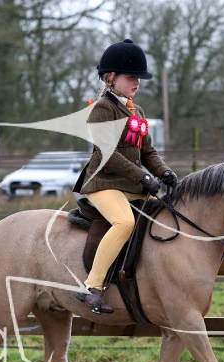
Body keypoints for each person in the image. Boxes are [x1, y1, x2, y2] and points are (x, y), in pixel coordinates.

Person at [74, 38, 178, 314]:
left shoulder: (136, 111)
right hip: (103, 183)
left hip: (130, 186)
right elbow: (108, 154)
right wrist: (143, 178)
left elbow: (148, 151)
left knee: (164, 217)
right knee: (124, 222)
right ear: (111, 77)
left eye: (138, 78)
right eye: (131, 77)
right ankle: (93, 286)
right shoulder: (102, 109)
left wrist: (164, 172)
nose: (137, 82)